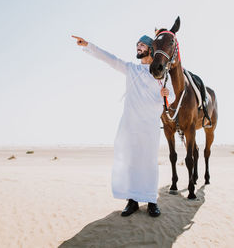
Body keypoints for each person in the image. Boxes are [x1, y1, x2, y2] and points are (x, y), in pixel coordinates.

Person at [72, 34, 175, 217]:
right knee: (132, 162)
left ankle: (151, 201)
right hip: (131, 125)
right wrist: (89, 45)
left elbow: (171, 97)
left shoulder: (161, 74)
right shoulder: (131, 69)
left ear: (151, 49)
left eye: (142, 45)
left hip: (150, 126)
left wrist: (167, 93)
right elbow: (109, 59)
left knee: (150, 163)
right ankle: (132, 201)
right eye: (137, 45)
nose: (138, 47)